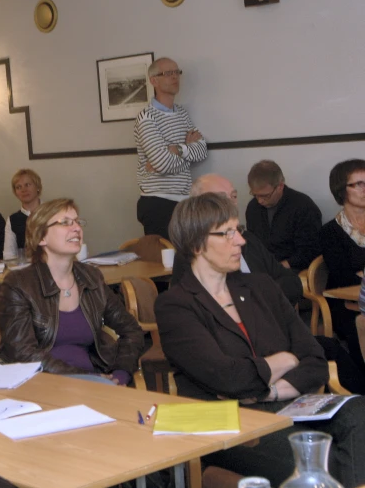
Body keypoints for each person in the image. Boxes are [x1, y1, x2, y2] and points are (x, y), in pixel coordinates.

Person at [155, 193, 365, 486]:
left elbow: (315, 360)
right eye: (227, 233)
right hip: (225, 421)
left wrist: (272, 391)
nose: (240, 241)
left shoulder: (261, 286)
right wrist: (285, 359)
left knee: (360, 413)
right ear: (196, 244)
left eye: (238, 230)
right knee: (316, 460)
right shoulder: (175, 305)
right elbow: (227, 378)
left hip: (287, 402)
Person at [0, 199, 144, 385]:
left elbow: (131, 330)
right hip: (38, 384)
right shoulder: (18, 284)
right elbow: (23, 353)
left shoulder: (91, 277)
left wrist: (121, 373)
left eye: (77, 221)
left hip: (96, 382)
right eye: (65, 222)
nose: (76, 228)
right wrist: (85, 379)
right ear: (41, 237)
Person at [171, 174, 303, 305]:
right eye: (220, 198)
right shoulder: (190, 255)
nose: (231, 203)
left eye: (233, 196)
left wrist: (263, 296)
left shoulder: (248, 239)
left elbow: (291, 282)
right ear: (197, 206)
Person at [134, 57, 208, 239]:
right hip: (158, 202)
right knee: (165, 264)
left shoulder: (182, 113)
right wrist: (188, 149)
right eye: (168, 73)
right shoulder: (146, 118)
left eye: (177, 72)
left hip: (183, 201)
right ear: (154, 81)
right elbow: (163, 165)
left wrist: (178, 150)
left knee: (187, 260)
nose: (175, 77)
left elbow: (202, 151)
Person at [321, 159, 365, 372]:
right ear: (341, 190)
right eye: (358, 184)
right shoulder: (330, 232)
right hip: (345, 304)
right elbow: (343, 276)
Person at [246, 160, 322, 271]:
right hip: (262, 269)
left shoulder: (303, 206)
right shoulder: (253, 207)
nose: (259, 201)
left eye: (265, 196)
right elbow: (253, 245)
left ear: (280, 186)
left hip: (293, 270)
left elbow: (308, 252)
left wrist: (277, 268)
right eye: (255, 195)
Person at [3, 169, 42, 261]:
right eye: (19, 187)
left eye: (27, 185)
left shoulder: (52, 213)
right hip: (24, 269)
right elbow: (9, 255)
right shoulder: (13, 219)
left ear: (37, 187)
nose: (24, 190)